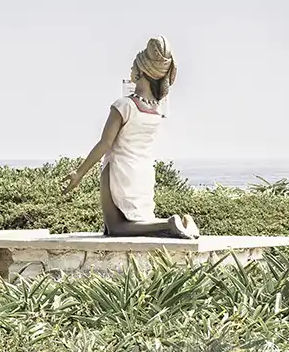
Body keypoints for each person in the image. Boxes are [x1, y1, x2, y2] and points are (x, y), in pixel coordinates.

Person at [59, 36, 200, 240]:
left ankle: (169, 223)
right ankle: (182, 223)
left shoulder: (124, 106)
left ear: (141, 72)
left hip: (120, 170)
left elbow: (105, 144)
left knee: (116, 228)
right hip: (142, 174)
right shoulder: (156, 111)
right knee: (138, 223)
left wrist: (79, 173)